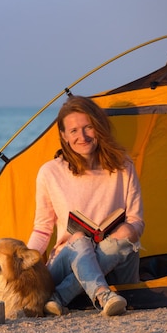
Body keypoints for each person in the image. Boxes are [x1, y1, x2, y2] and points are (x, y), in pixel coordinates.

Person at [26, 95, 144, 317]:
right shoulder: (50, 172)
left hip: (114, 256)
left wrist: (127, 231)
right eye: (74, 131)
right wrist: (26, 266)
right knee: (79, 238)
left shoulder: (124, 166)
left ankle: (59, 297)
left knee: (129, 232)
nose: (82, 136)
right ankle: (103, 295)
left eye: (88, 127)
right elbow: (42, 229)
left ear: (99, 127)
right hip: (68, 259)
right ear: (64, 135)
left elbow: (137, 221)